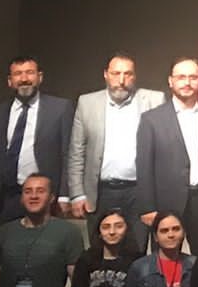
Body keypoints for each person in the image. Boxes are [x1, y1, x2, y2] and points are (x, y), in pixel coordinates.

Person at [135, 57, 198, 257]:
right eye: (181, 77)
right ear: (171, 81)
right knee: (165, 261)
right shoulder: (152, 119)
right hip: (166, 203)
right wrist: (147, 207)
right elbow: (144, 166)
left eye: (193, 77)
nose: (187, 82)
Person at [65, 54, 164, 233]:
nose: (121, 80)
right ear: (106, 74)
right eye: (116, 73)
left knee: (137, 245)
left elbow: (163, 152)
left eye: (128, 74)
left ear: (135, 76)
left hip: (139, 191)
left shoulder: (154, 100)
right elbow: (76, 152)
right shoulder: (87, 103)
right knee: (100, 245)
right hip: (100, 192)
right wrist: (77, 194)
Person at [0, 58, 74, 225]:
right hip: (6, 198)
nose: (24, 79)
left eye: (30, 73)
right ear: (10, 81)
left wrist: (64, 195)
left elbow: (68, 154)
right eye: (18, 74)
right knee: (6, 240)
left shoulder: (60, 108)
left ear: (40, 77)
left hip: (46, 197)